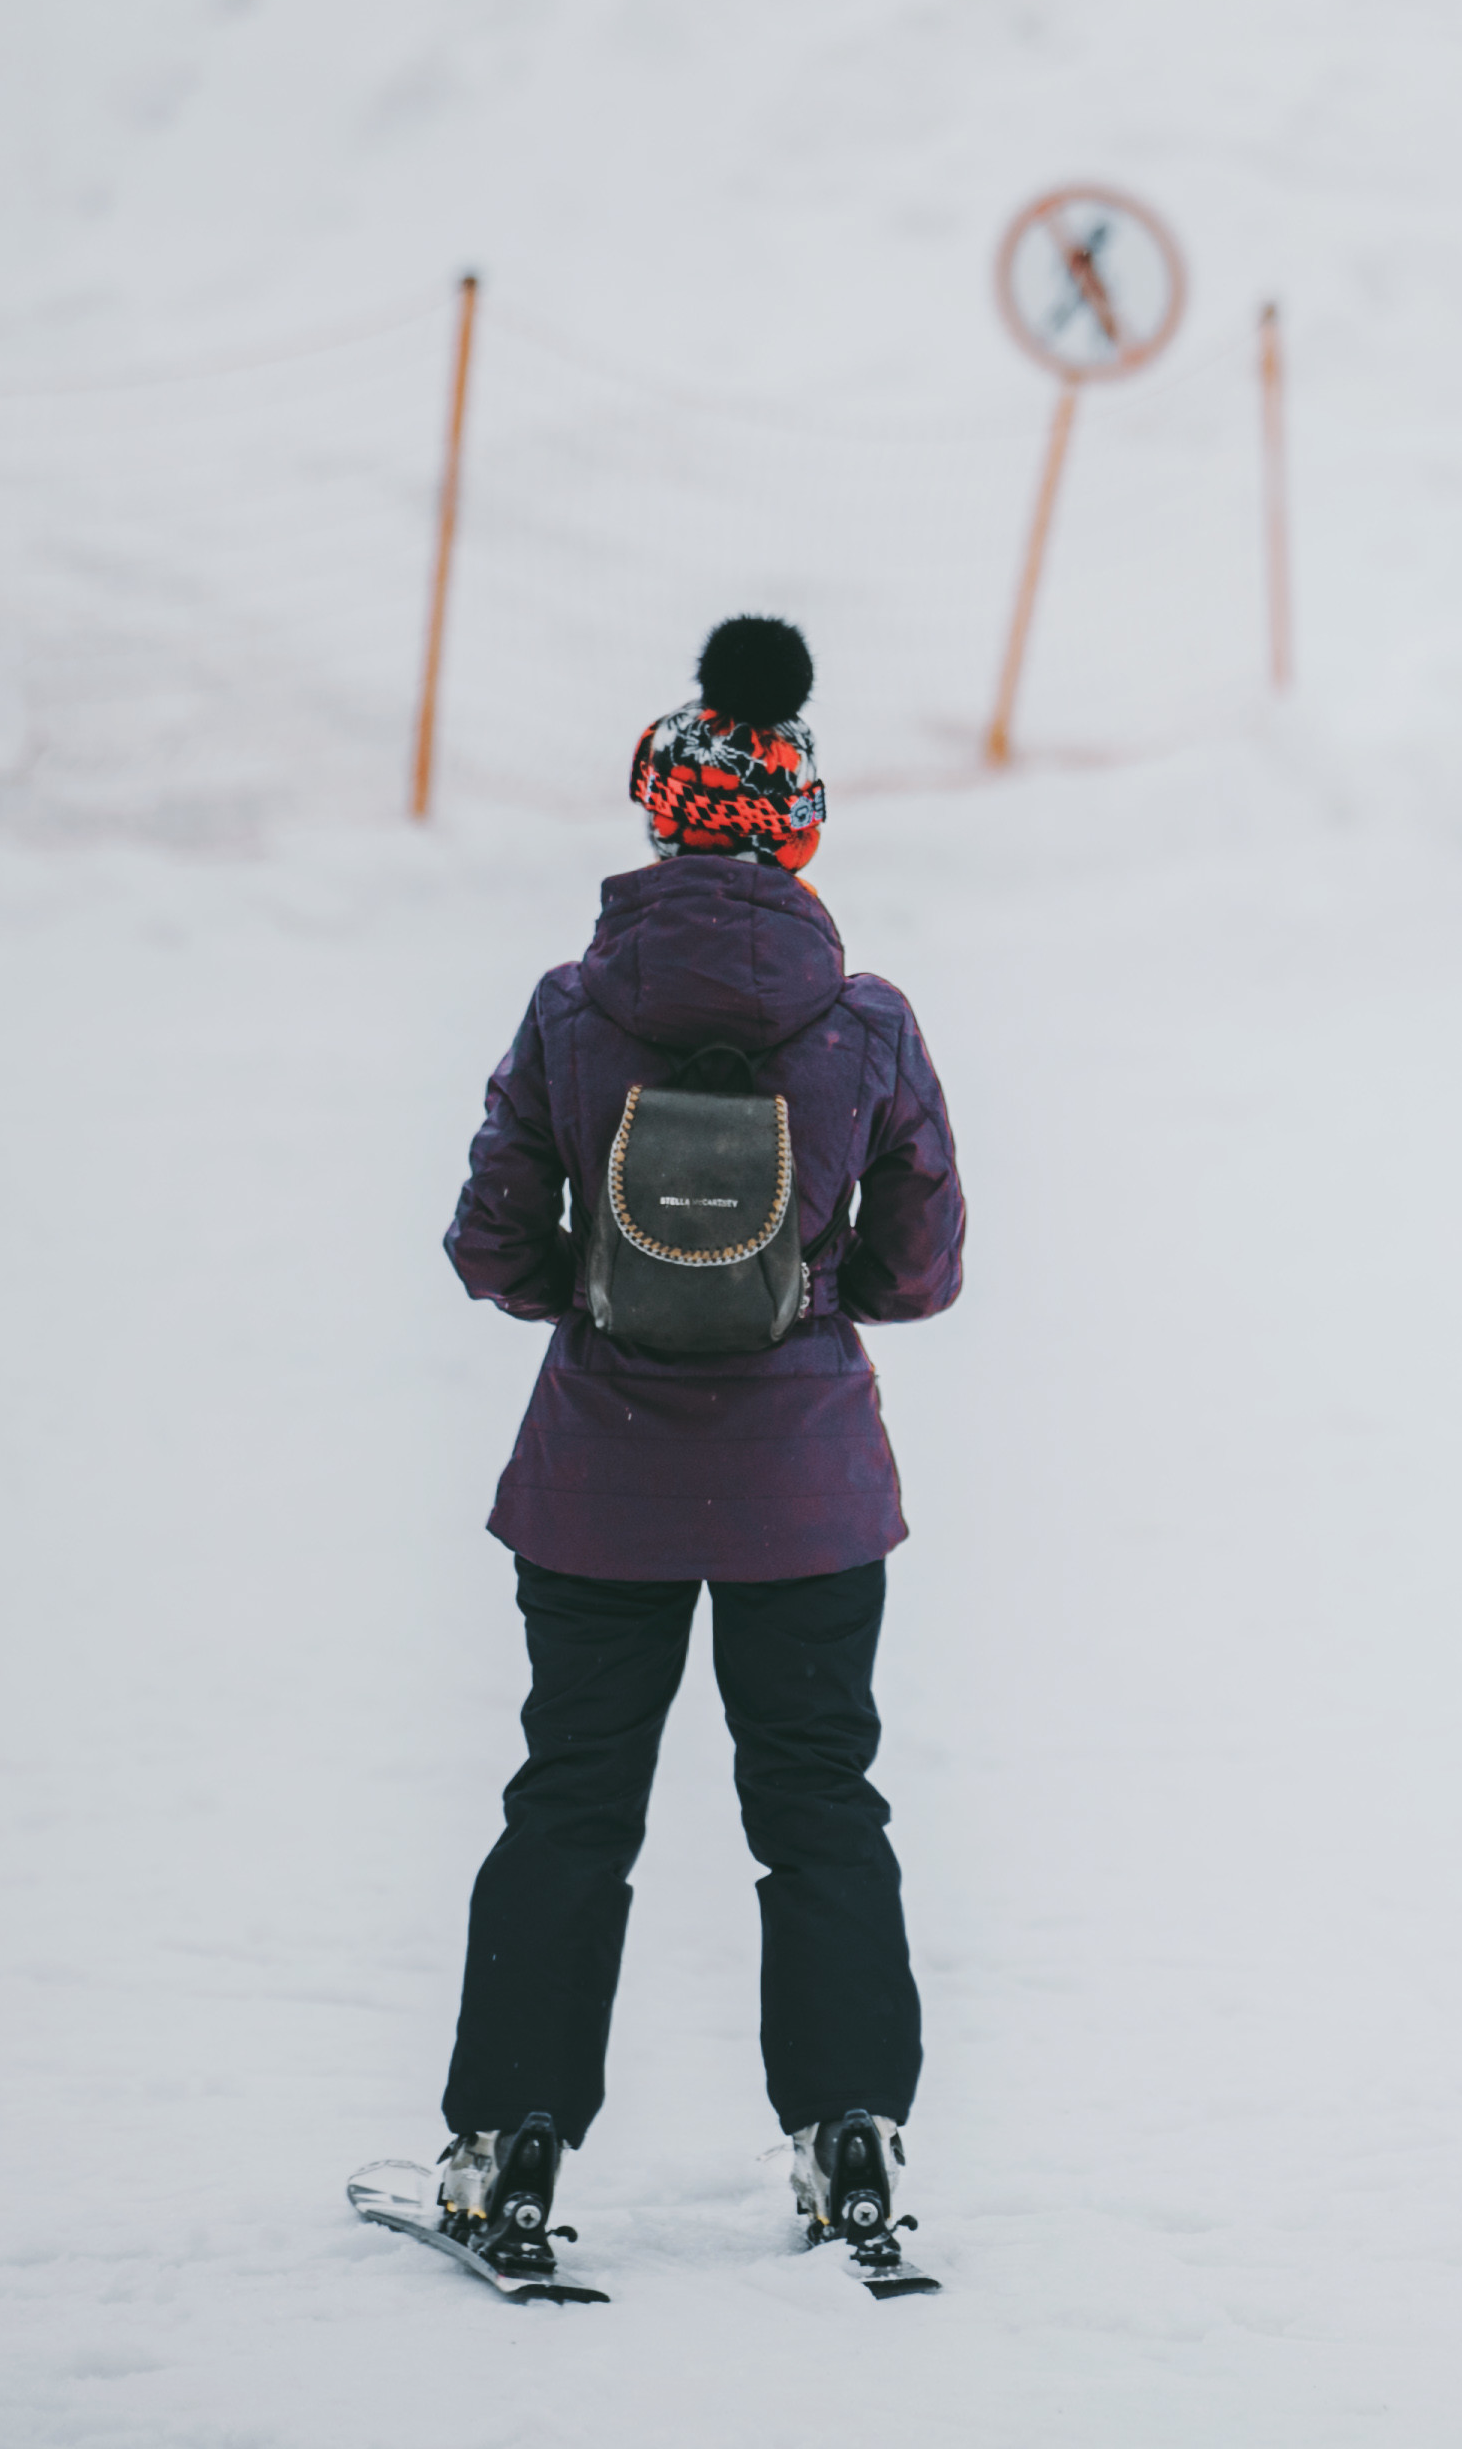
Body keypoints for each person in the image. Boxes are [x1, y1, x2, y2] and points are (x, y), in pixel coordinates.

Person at [421, 615, 967, 2273]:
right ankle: (851, 2143)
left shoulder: (573, 1013)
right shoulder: (863, 1021)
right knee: (819, 1807)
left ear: (659, 811)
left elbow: (492, 1247)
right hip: (809, 1494)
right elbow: (926, 1264)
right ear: (797, 822)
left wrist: (608, 1296)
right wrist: (804, 1289)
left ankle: (508, 2152)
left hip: (598, 1490)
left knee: (572, 1803)